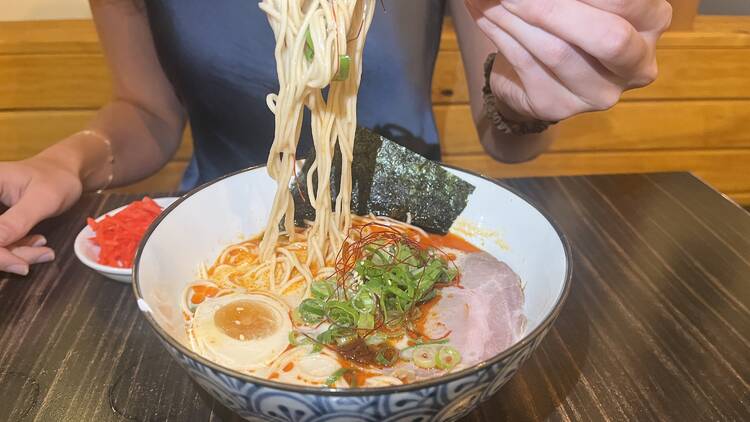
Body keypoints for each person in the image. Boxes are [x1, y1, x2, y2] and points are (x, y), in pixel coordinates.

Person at [0, 0, 671, 275]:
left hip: (410, 208)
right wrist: (71, 158)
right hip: (223, 218)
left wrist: (531, 101)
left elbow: (506, 133)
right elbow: (144, 112)